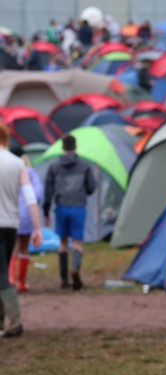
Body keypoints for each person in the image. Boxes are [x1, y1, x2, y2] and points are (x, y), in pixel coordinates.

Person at [0, 124, 42, 338]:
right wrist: (37, 228)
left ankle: (14, 322)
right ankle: (3, 321)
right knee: (2, 269)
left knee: (0, 274)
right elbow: (30, 197)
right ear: (6, 139)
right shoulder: (17, 164)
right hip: (10, 226)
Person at [43, 134, 96, 290]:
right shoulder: (85, 166)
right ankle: (75, 269)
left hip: (61, 207)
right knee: (77, 242)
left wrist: (46, 211)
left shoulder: (54, 167)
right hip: (78, 207)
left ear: (62, 147)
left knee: (63, 242)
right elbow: (92, 188)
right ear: (75, 147)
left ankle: (64, 280)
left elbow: (48, 191)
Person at [8, 147, 43, 293]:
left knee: (10, 249)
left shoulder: (7, 171)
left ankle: (9, 281)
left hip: (10, 214)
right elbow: (38, 194)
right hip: (27, 215)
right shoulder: (30, 173)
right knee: (23, 248)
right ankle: (21, 282)